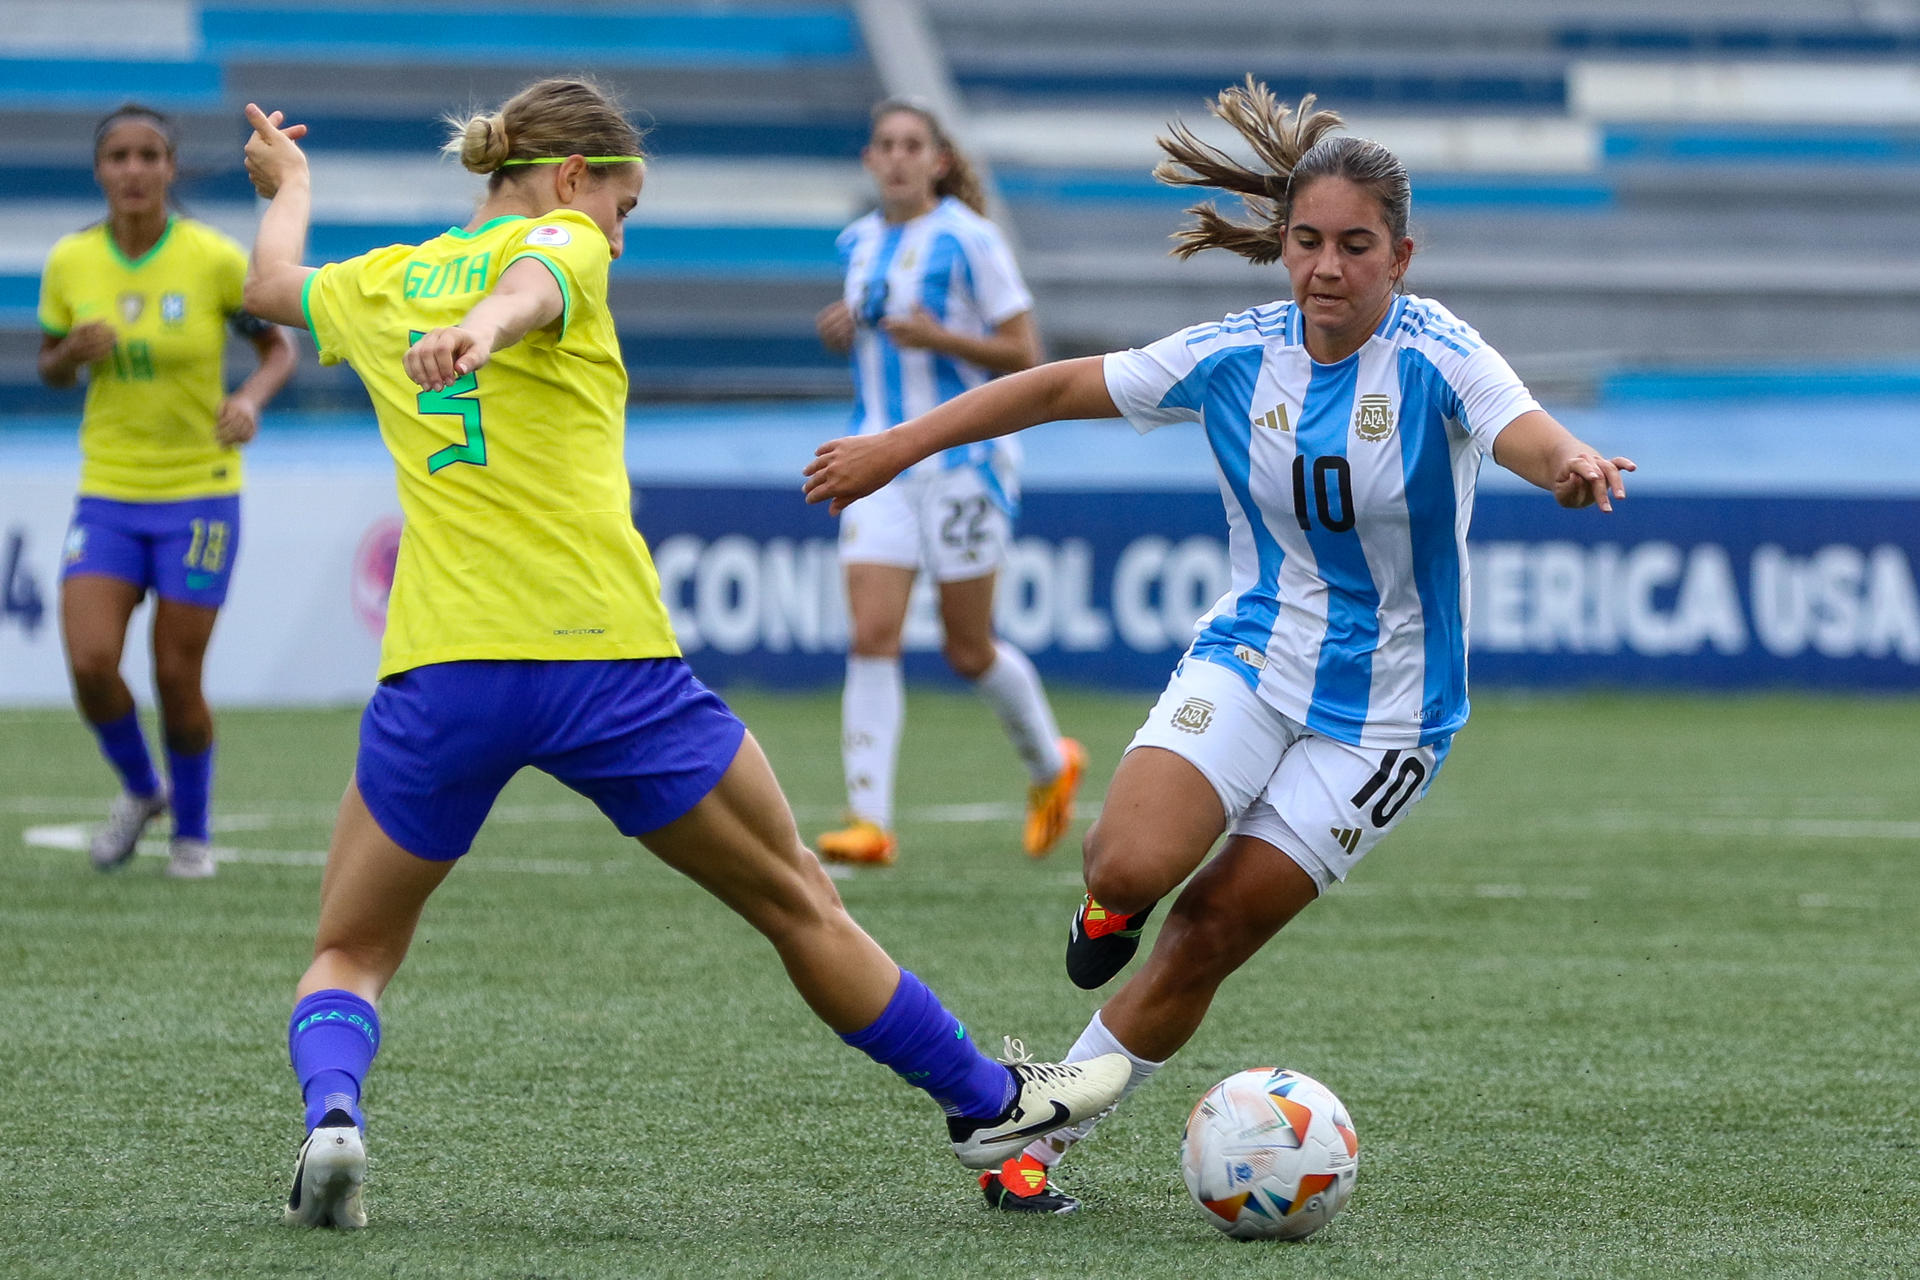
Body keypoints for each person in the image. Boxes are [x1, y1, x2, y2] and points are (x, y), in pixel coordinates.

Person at [236, 78, 1127, 1231]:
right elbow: (533, 283)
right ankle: (984, 1104)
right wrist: (486, 327)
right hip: (607, 664)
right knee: (800, 900)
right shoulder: (559, 236)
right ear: (570, 177)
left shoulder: (386, 280)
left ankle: (336, 1116)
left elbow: (267, 287)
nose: (621, 229)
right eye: (626, 203)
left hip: (443, 671)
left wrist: (292, 188)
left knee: (349, 947)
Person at [804, 78, 1636, 1214]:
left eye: (1355, 246)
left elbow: (1525, 431)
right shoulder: (1239, 352)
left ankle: (1036, 1131)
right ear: (1282, 247)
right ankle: (1105, 908)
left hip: (1388, 713)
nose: (1326, 269)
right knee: (1127, 866)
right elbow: (1052, 386)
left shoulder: (1442, 354)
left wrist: (1573, 463)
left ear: (1402, 254)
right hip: (1253, 653)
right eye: (1306, 243)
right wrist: (894, 446)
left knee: (1205, 931)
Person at [812, 98, 1084, 868]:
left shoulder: (970, 238)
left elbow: (1026, 352)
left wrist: (939, 337)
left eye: (912, 145)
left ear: (937, 160)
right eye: (885, 145)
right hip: (880, 462)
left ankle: (1049, 763)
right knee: (871, 633)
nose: (896, 157)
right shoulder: (859, 243)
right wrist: (843, 327)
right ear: (869, 160)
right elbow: (880, 343)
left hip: (964, 463)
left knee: (968, 649)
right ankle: (869, 821)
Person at [36, 103, 298, 880]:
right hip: (109, 492)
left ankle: (194, 830)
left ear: (170, 169)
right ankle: (143, 788)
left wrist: (248, 401)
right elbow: (47, 367)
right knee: (89, 663)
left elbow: (278, 351)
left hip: (198, 493)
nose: (134, 170)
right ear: (100, 170)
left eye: (149, 155)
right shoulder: (71, 262)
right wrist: (70, 357)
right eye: (118, 155)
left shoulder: (214, 260)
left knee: (177, 677)